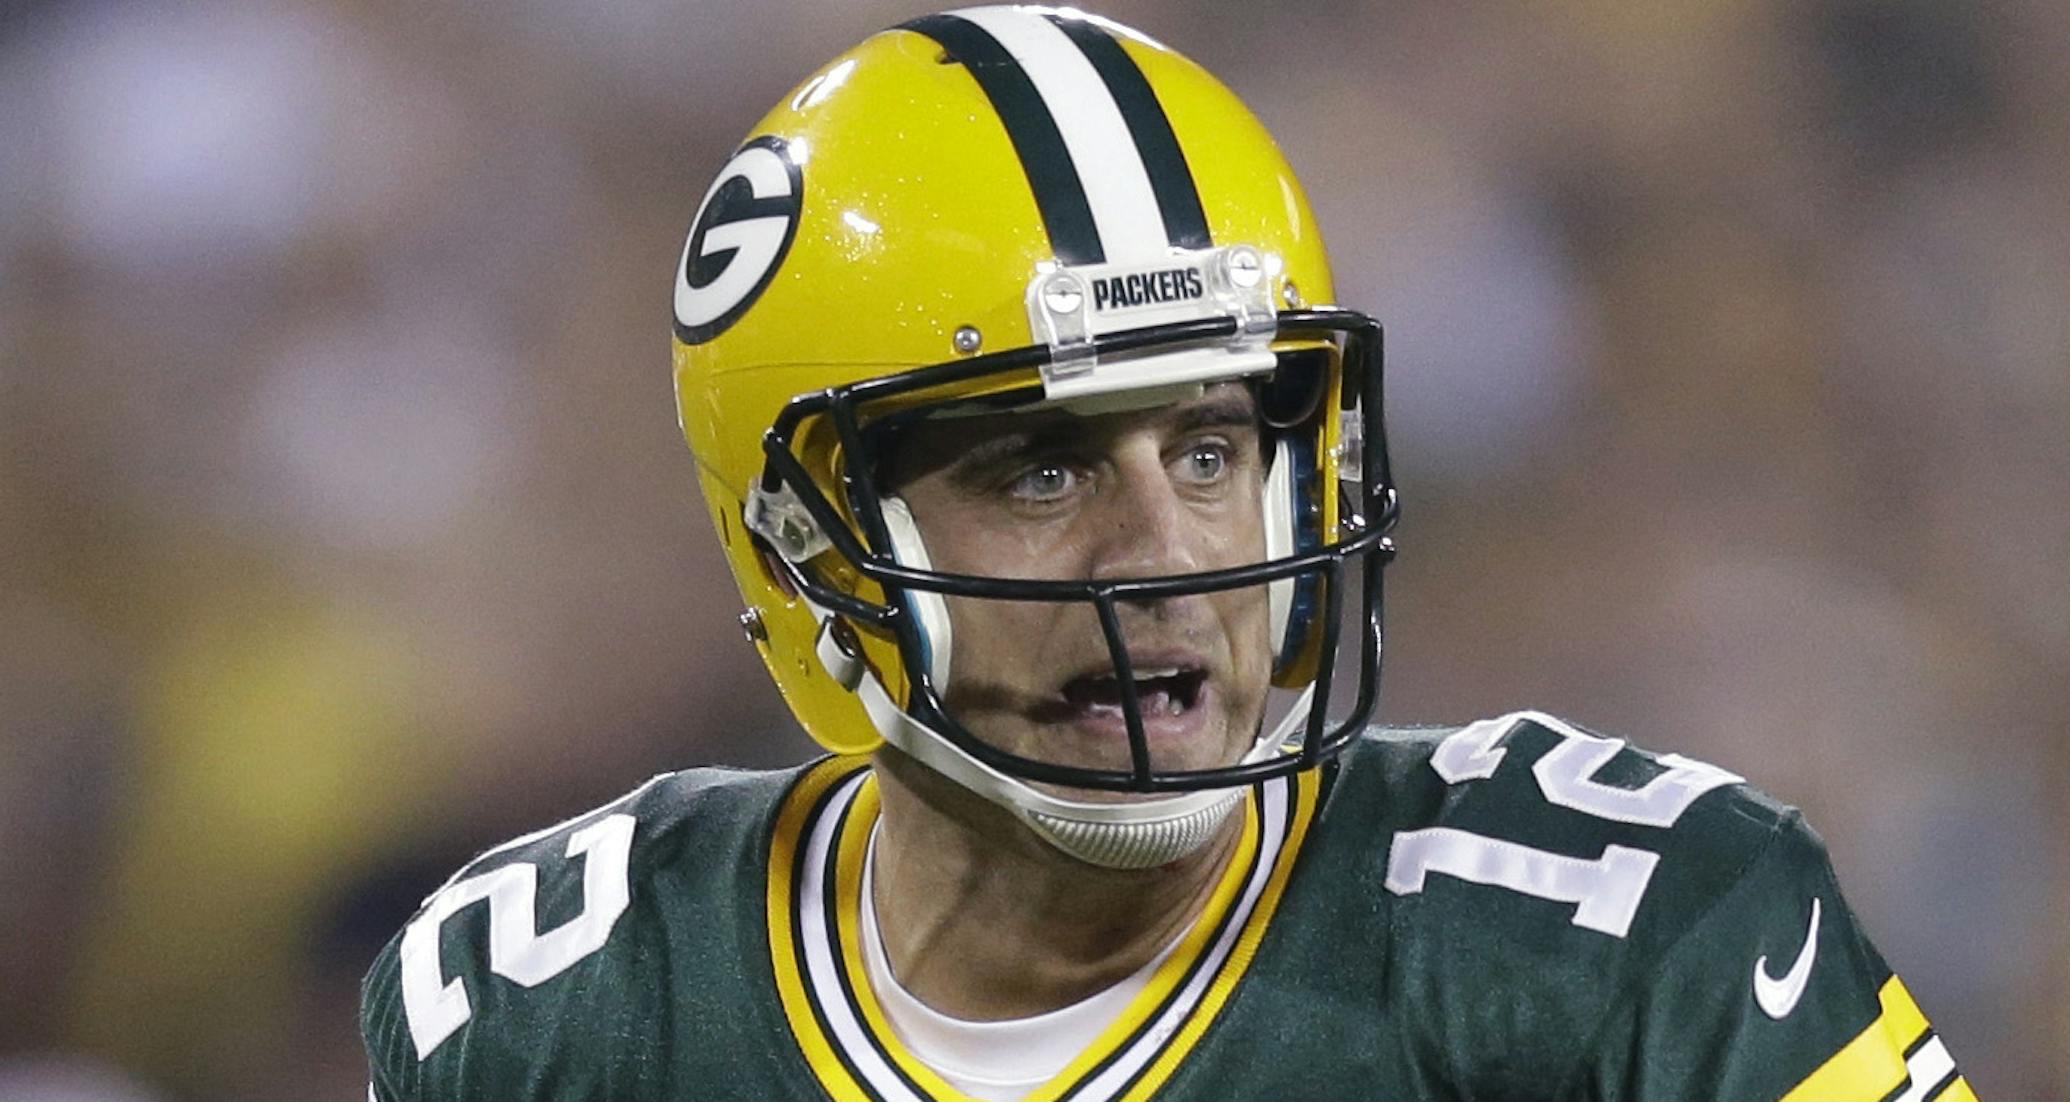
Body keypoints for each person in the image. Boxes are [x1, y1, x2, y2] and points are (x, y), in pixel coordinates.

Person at [361, 7, 1973, 1099]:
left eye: (1211, 449)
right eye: (1044, 466)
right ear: (809, 554)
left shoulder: (1633, 943)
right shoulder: (565, 1002)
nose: (1170, 551)